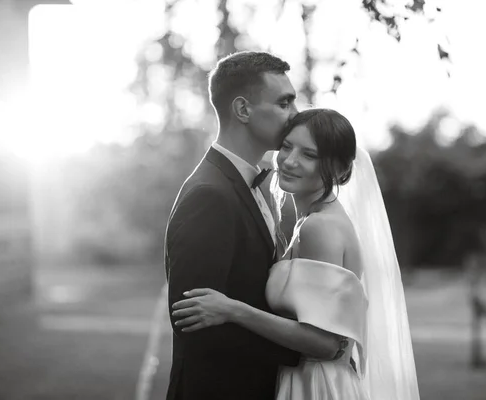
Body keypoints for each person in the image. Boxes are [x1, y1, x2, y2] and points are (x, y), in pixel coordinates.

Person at [172, 108, 421, 400]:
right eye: (287, 147)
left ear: (340, 169)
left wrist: (232, 309)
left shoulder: (320, 228)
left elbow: (324, 343)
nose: (289, 161)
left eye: (309, 155)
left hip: (315, 385)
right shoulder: (312, 219)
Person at [164, 51, 302, 400]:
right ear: (243, 110)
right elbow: (193, 325)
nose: (295, 116)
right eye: (284, 103)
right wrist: (301, 350)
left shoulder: (251, 185)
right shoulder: (210, 195)